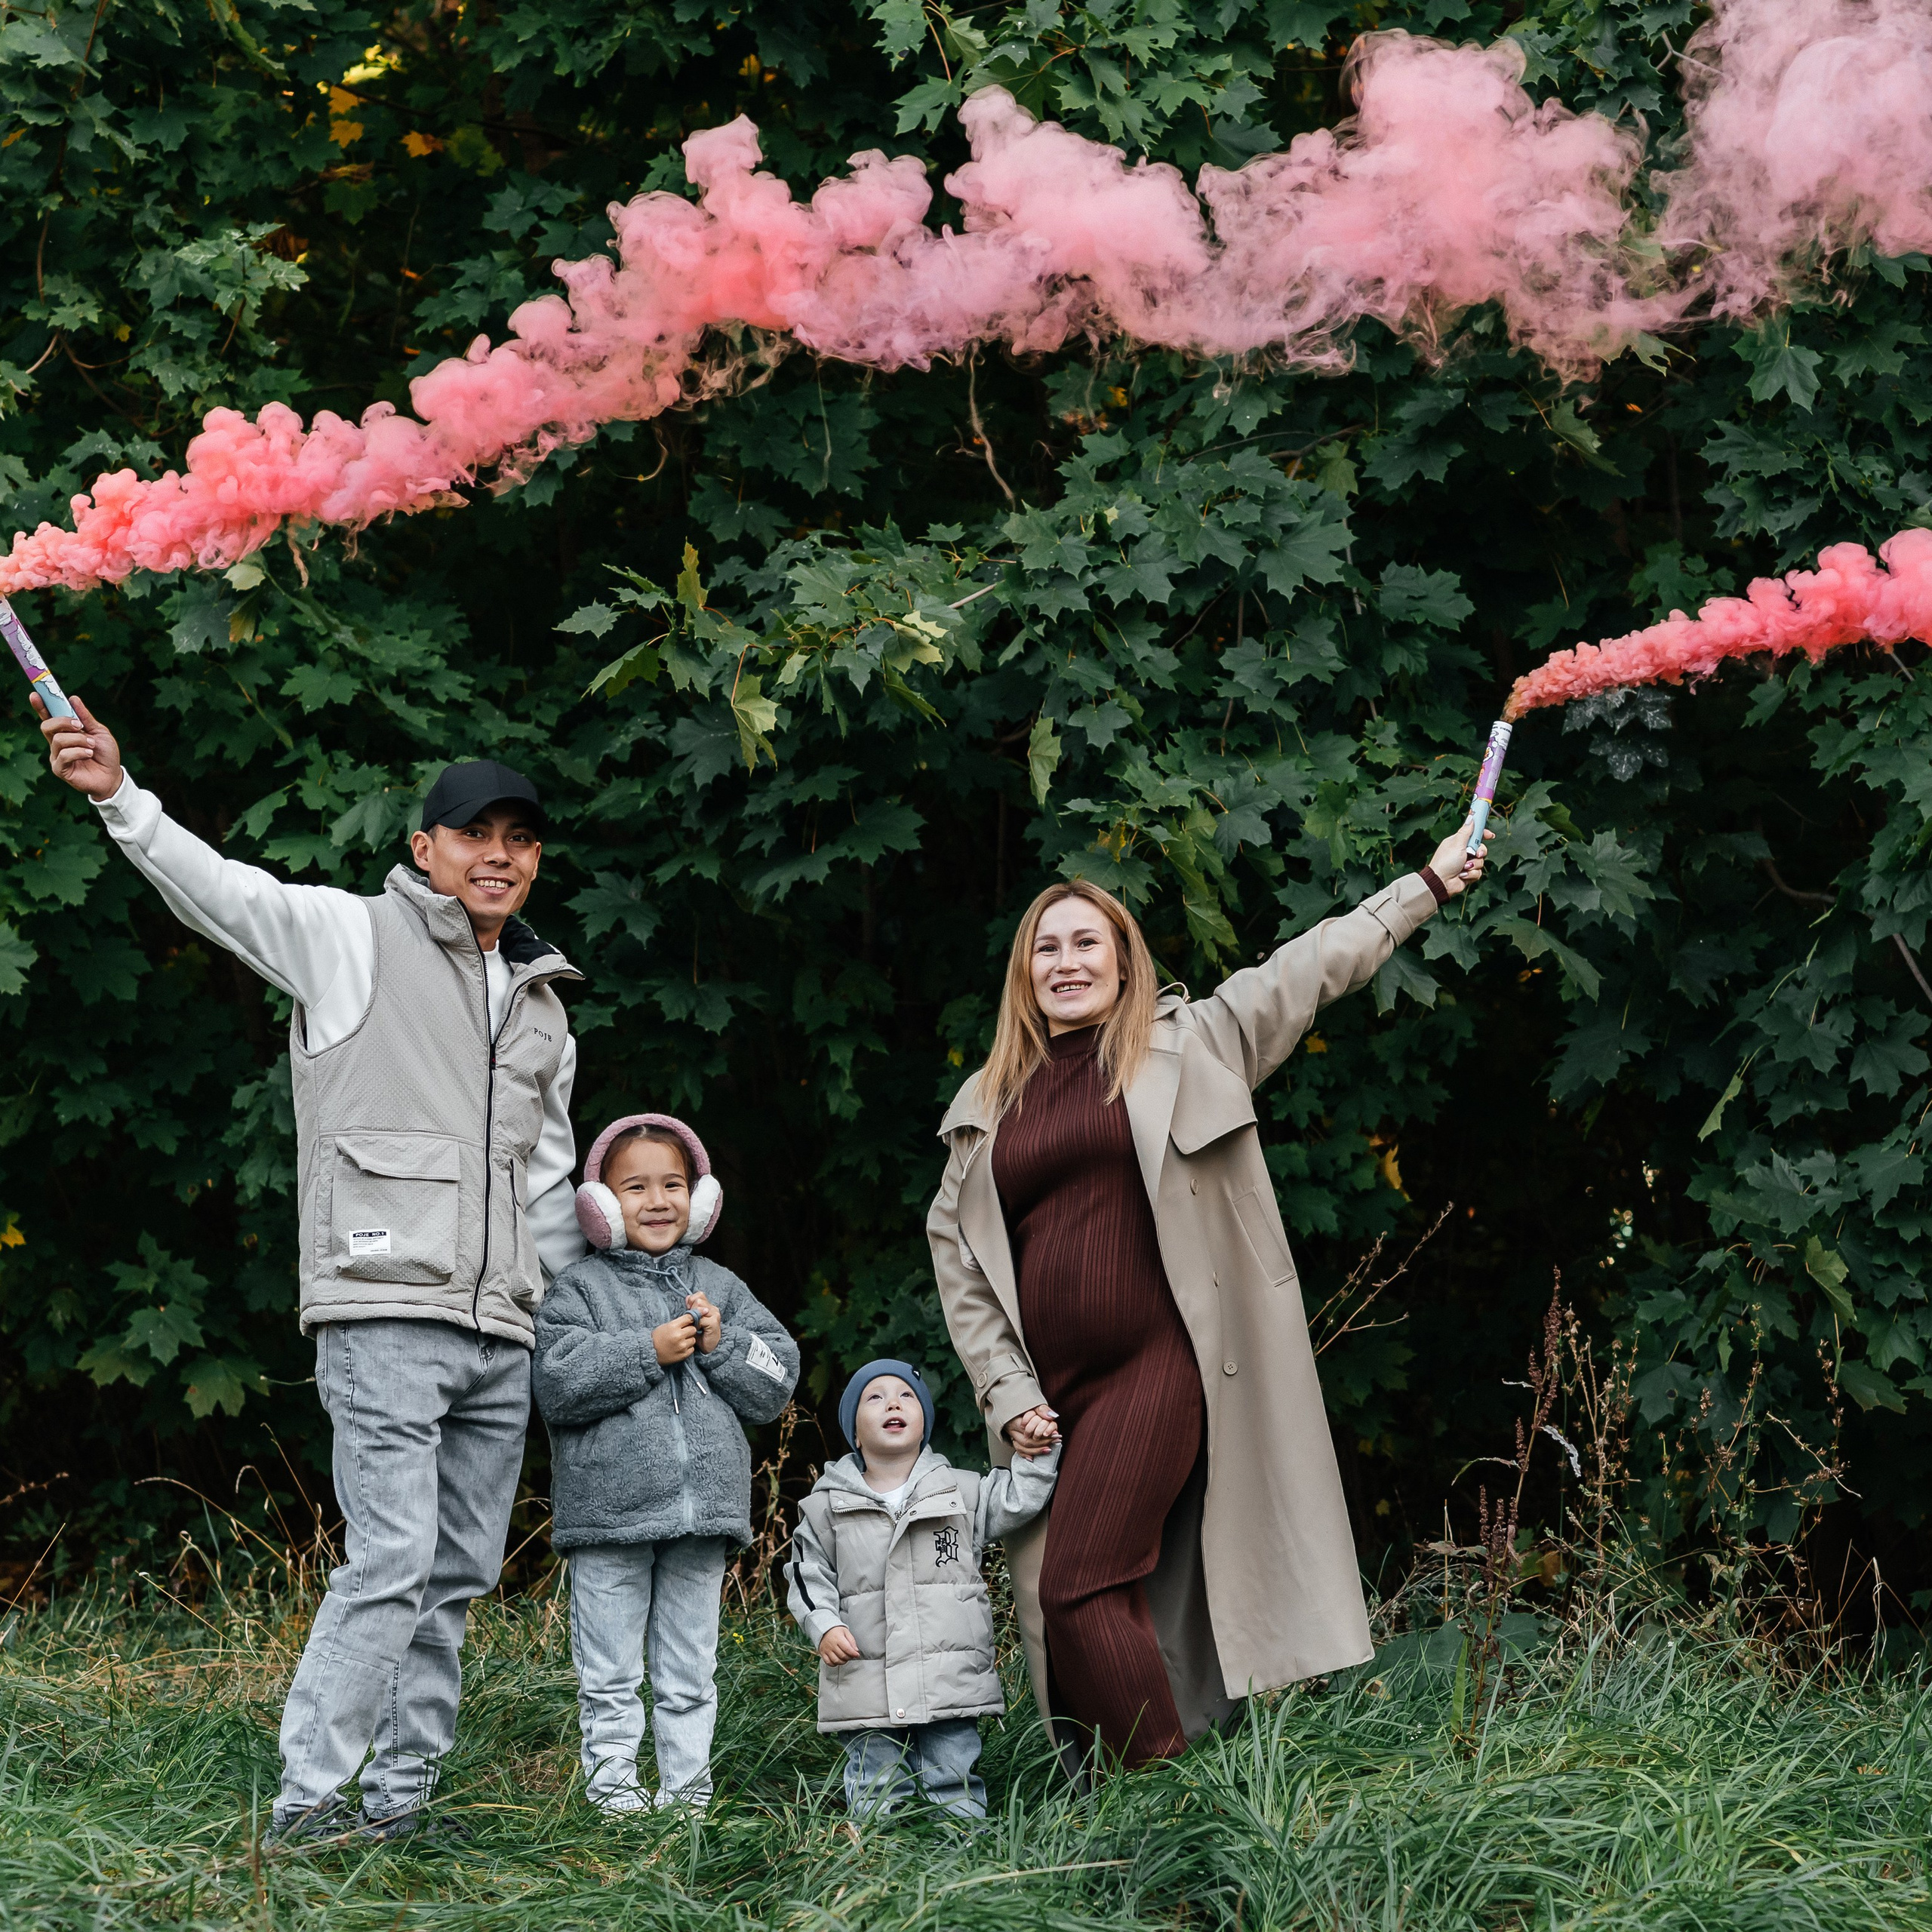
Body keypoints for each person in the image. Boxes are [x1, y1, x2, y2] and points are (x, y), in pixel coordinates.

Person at [35, 691, 586, 1843]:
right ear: (423, 849)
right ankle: (310, 1802)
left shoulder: (544, 1007)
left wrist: (559, 1312)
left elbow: (548, 1181)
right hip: (385, 1311)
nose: (499, 855)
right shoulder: (350, 936)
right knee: (391, 1558)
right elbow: (223, 893)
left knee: (456, 1578)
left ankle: (401, 1803)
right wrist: (122, 802)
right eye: (475, 834)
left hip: (501, 1334)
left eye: (519, 838)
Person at [926, 817, 1493, 1770]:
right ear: (1025, 974)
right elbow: (958, 1256)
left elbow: (1312, 965)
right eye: (1045, 950)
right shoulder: (989, 1101)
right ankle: (1129, 1799)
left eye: (1085, 943)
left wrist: (1426, 885)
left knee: (1078, 1584)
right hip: (1052, 1397)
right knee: (1089, 1604)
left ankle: (1164, 1800)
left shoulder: (1195, 1041)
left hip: (1162, 1363)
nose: (1065, 964)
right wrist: (1006, 1389)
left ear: (1121, 959)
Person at [534, 1112, 799, 1813]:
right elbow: (557, 1381)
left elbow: (779, 1377)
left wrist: (726, 1343)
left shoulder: (722, 1287)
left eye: (674, 1185)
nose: (658, 1201)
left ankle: (688, 1800)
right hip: (609, 1519)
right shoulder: (579, 1289)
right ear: (599, 1206)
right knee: (610, 1672)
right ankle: (615, 1796)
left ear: (701, 1198)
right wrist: (645, 1350)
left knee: (690, 1671)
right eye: (636, 1187)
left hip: (700, 1517)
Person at [786, 1359, 1058, 1820]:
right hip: (865, 1674)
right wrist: (825, 1625)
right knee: (874, 1779)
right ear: (854, 1433)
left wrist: (1038, 1452)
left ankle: (963, 1857)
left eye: (906, 1395)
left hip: (947, 1675)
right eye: (875, 1398)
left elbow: (1018, 1499)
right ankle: (877, 1861)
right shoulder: (825, 1507)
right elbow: (806, 1574)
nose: (893, 1402)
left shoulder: (961, 1492)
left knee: (953, 1775)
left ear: (924, 1425)